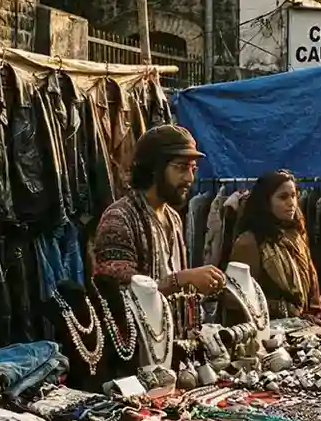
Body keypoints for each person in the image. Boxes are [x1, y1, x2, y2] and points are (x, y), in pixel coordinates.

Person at [93, 125, 228, 294]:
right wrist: (181, 279)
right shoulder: (119, 219)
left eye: (193, 169)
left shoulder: (173, 218)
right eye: (181, 167)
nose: (190, 178)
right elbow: (120, 293)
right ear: (154, 169)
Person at [229, 170, 321, 319]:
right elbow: (236, 298)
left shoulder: (296, 236)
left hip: (305, 326)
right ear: (266, 202)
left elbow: (311, 286)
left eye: (294, 196)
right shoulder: (249, 242)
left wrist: (314, 313)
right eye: (283, 197)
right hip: (268, 328)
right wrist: (283, 309)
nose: (291, 203)